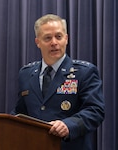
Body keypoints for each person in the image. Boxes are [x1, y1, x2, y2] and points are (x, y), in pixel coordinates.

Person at [11, 14, 105, 150]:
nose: (54, 42)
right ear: (38, 42)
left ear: (66, 39)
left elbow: (95, 110)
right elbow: (21, 111)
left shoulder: (85, 72)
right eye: (48, 38)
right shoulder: (26, 73)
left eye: (59, 37)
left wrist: (68, 125)